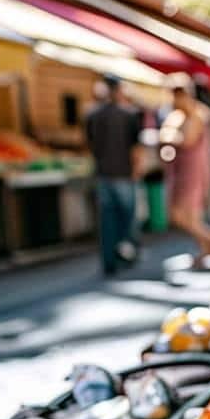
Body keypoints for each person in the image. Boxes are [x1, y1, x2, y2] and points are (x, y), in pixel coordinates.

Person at [83, 75, 142, 276]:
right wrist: (136, 170)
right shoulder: (129, 115)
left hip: (103, 174)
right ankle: (126, 255)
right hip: (124, 174)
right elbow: (135, 148)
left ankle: (109, 260)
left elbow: (89, 145)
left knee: (108, 220)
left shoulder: (93, 116)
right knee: (127, 219)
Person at [159, 79, 210, 260]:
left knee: (189, 214)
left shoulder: (198, 114)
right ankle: (206, 245)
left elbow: (185, 139)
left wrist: (170, 138)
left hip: (193, 171)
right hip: (180, 170)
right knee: (179, 213)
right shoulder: (177, 115)